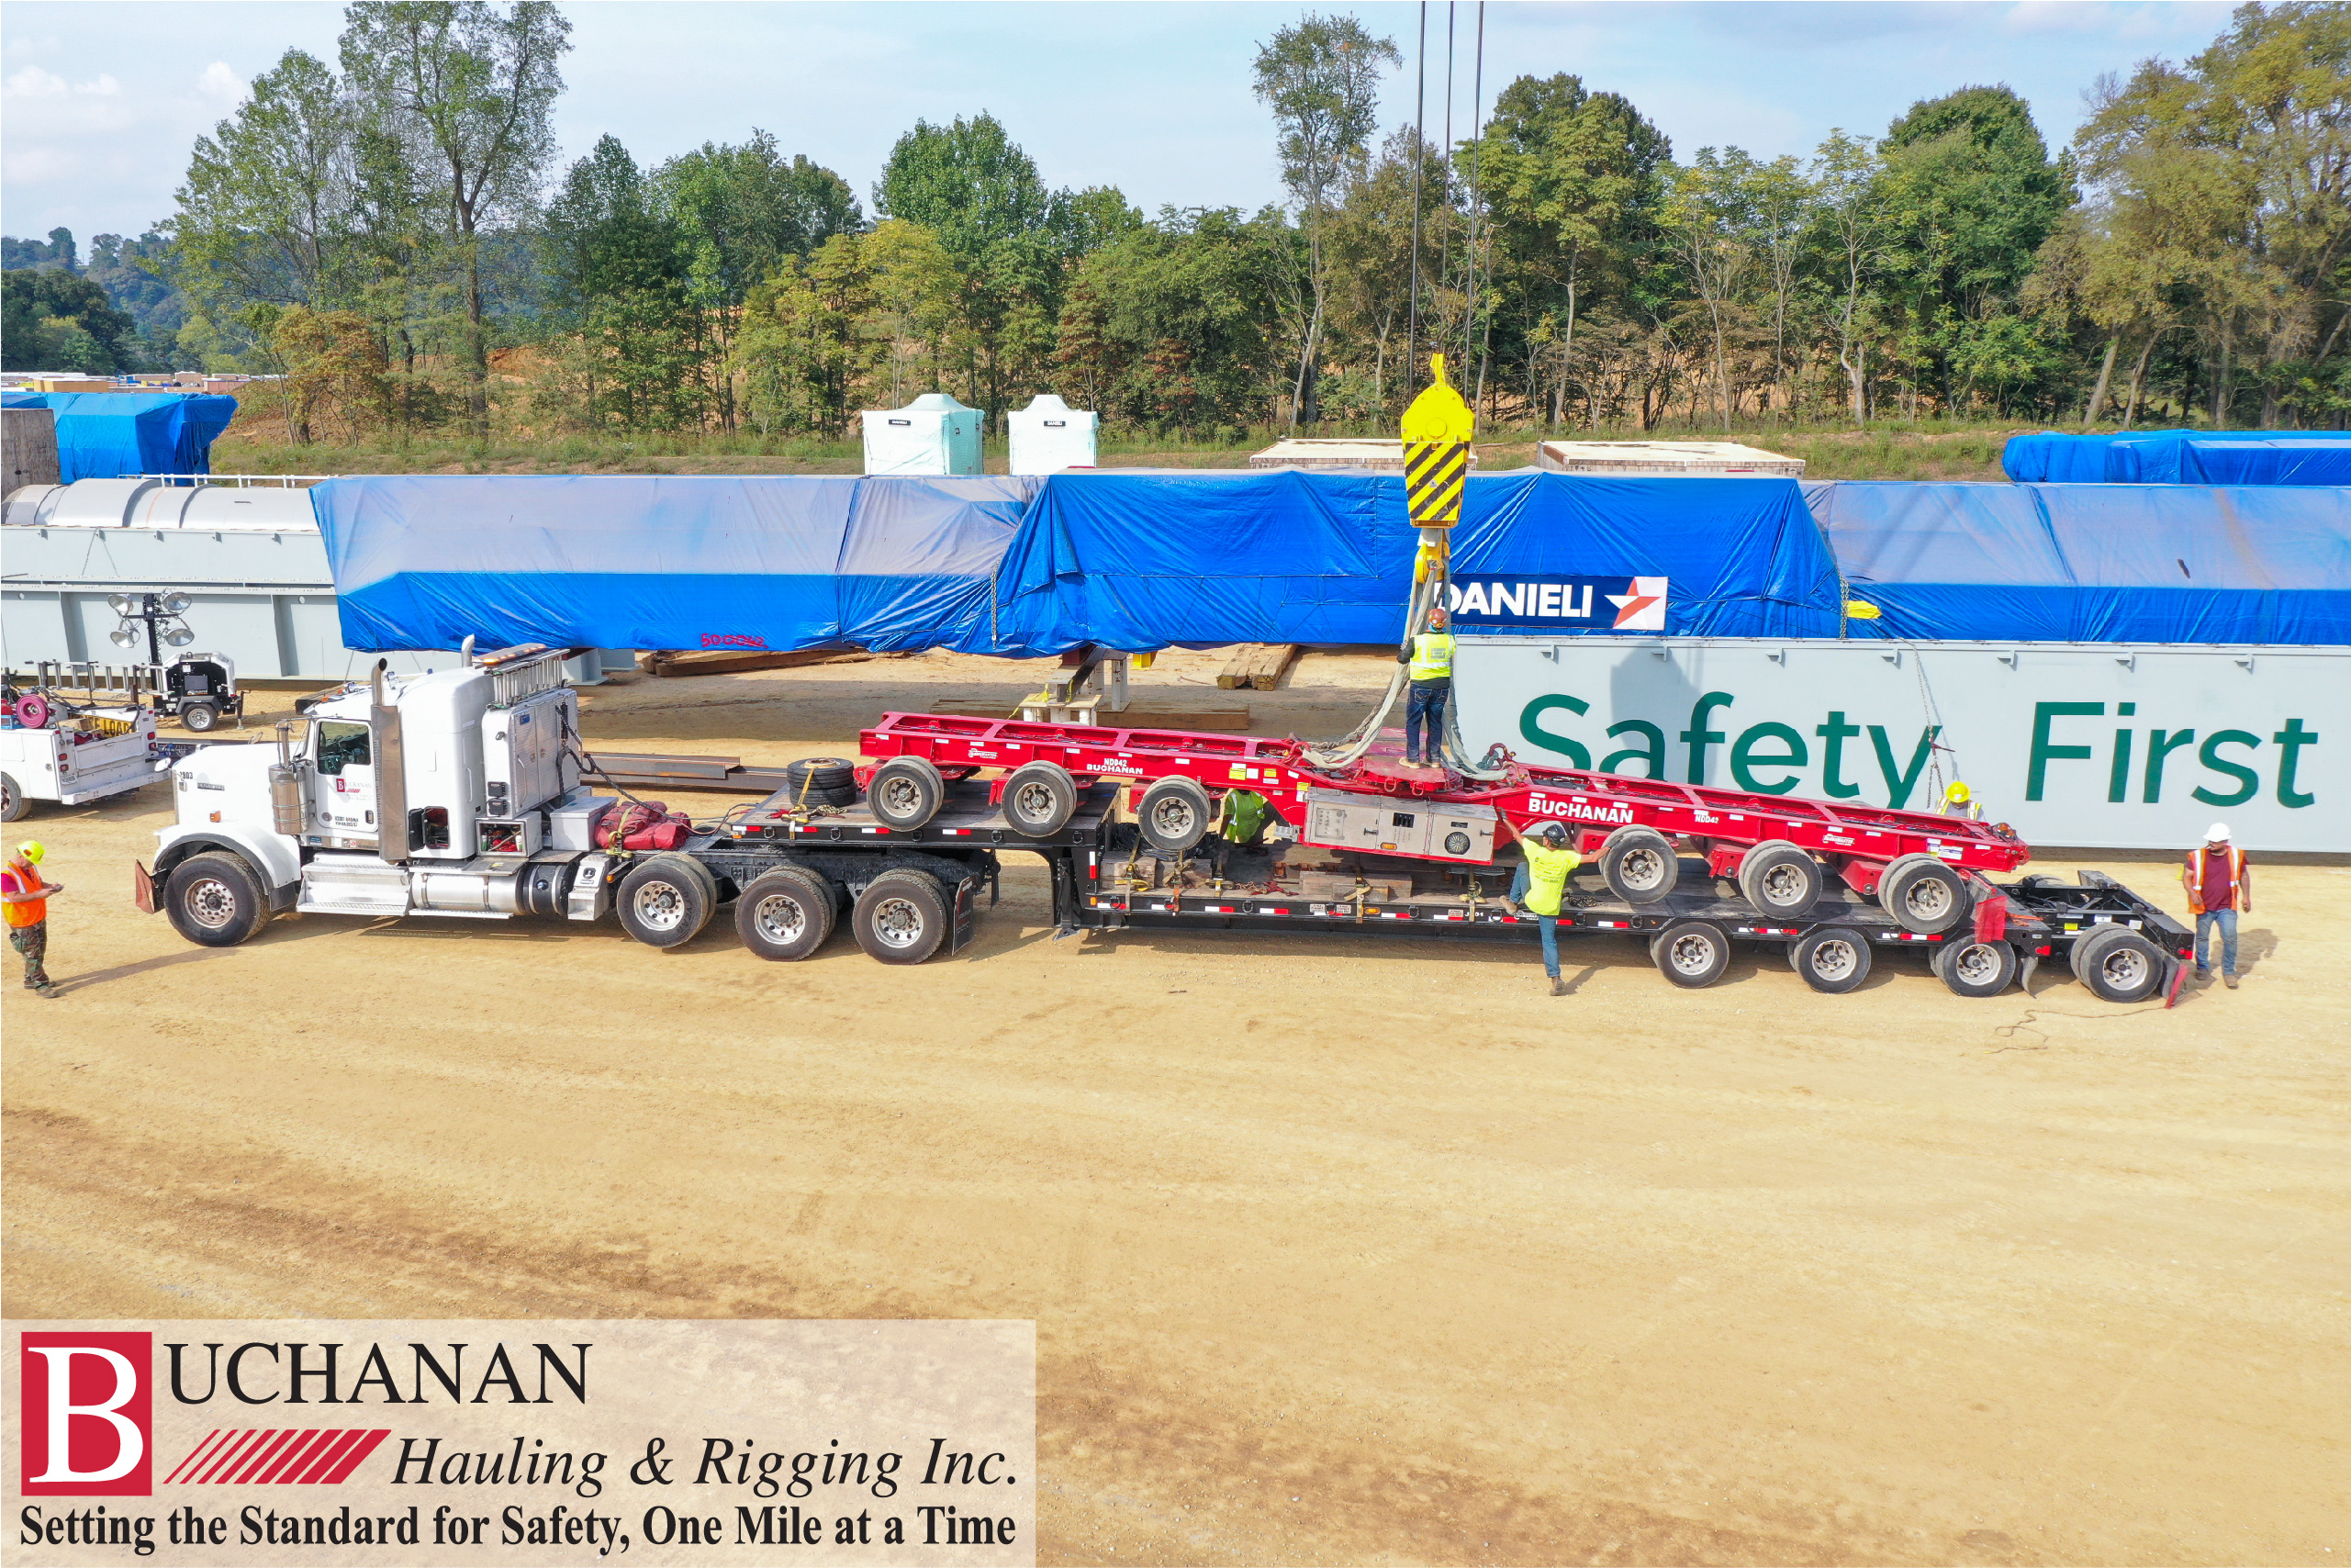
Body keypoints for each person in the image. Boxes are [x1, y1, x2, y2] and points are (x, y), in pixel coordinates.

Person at [1498, 815, 1582, 996]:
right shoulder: (1567, 858)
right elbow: (1594, 857)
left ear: (1546, 840)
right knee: (1549, 941)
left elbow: (1516, 835)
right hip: (1551, 907)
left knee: (1523, 866)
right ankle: (1556, 979)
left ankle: (1513, 902)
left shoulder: (1535, 851)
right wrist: (1611, 844)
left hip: (1533, 901)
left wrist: (1504, 818)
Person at [2181, 822, 2251, 988]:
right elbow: (2187, 876)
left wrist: (2246, 897)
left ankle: (2229, 972)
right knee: (2202, 937)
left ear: (2225, 841)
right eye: (2210, 840)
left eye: (2215, 841)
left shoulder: (2236, 855)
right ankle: (2202, 967)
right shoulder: (2198, 856)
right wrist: (2193, 893)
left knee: (2230, 938)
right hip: (2204, 906)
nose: (2211, 842)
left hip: (2227, 906)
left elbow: (2244, 876)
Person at [1396, 602, 1454, 767]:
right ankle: (1434, 759)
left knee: (1414, 722)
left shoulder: (1418, 640)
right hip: (1441, 687)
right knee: (1435, 722)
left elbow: (1402, 659)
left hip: (1421, 686)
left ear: (1429, 622)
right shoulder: (1450, 640)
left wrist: (1405, 649)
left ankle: (1413, 759)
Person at [2, 839, 62, 998]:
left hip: (37, 917)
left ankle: (30, 979)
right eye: (31, 861)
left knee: (39, 950)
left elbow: (38, 883)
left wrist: (49, 887)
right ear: (21, 857)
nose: (32, 864)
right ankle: (40, 984)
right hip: (22, 922)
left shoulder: (29, 868)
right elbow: (14, 897)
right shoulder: (6, 876)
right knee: (32, 954)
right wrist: (38, 895)